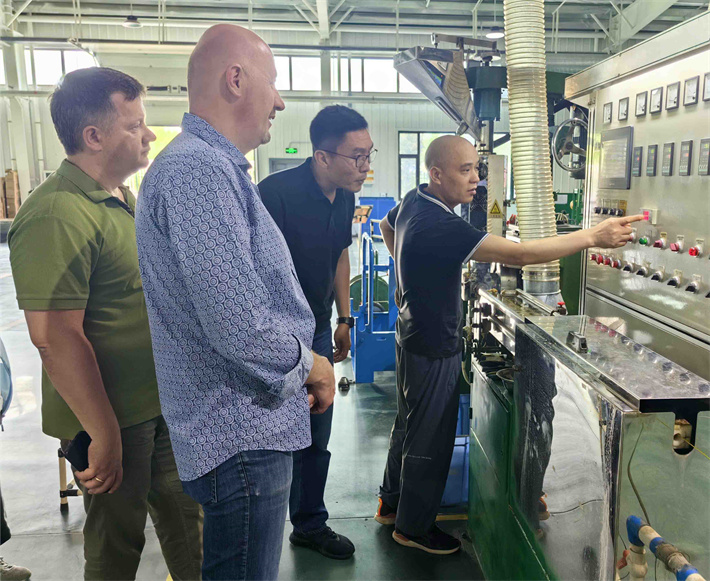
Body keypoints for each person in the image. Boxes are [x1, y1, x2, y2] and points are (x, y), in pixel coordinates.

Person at [374, 135, 642, 555]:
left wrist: (405, 279)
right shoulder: (441, 224)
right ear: (436, 174)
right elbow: (520, 255)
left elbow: (386, 226)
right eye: (465, 170)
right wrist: (592, 236)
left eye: (477, 169)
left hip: (410, 331)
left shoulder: (414, 200)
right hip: (434, 341)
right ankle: (413, 527)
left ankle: (390, 504)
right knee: (431, 435)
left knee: (409, 421)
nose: (476, 180)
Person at [135, 24, 336, 581]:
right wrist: (311, 365)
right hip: (240, 438)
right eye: (273, 83)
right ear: (236, 80)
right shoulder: (198, 170)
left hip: (243, 431)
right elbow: (239, 324)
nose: (280, 101)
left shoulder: (212, 167)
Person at [7, 68, 202, 580]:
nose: (149, 134)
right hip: (113, 418)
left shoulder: (120, 198)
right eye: (135, 125)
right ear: (94, 136)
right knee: (117, 546)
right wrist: (103, 431)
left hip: (157, 404)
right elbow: (55, 338)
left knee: (188, 525)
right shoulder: (57, 214)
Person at [258, 105, 374, 560]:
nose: (365, 165)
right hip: (275, 336)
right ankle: (262, 527)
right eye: (356, 156)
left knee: (316, 430)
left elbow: (340, 254)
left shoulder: (344, 196)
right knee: (272, 433)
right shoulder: (275, 195)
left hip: (320, 329)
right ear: (322, 156)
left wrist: (345, 318)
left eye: (368, 154)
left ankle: (309, 524)